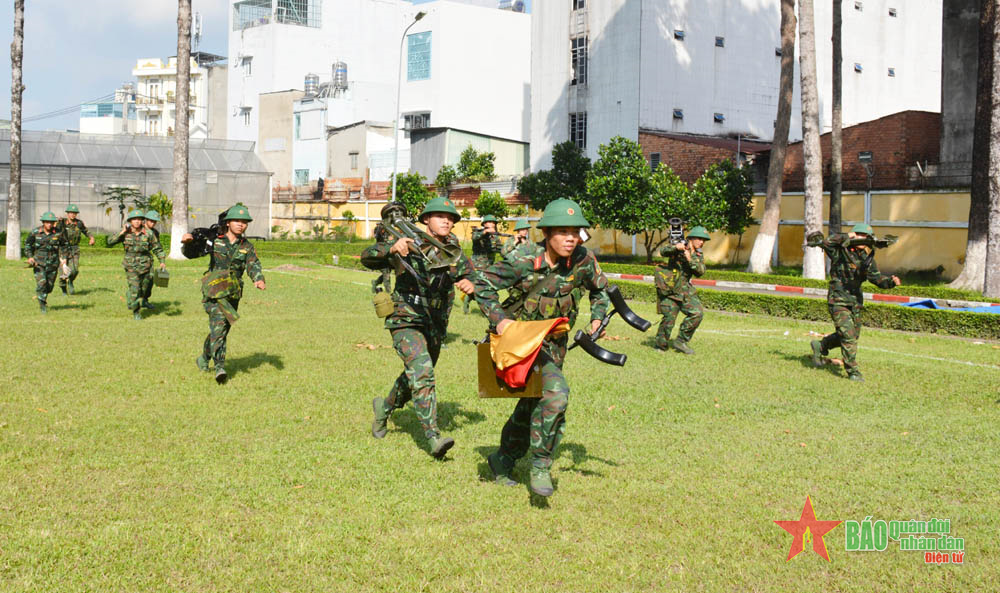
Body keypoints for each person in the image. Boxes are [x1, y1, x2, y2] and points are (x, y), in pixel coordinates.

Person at [473, 198, 610, 497]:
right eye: (562, 232)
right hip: (523, 347)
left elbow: (600, 290)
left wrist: (598, 318)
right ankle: (540, 465)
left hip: (555, 347)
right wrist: (499, 320)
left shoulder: (584, 260)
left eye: (575, 232)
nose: (570, 238)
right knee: (556, 396)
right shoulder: (524, 260)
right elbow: (481, 283)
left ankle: (502, 459)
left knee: (533, 402)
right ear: (546, 233)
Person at [361, 197, 480, 459]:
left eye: (451, 218)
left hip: (434, 322)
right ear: (426, 219)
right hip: (406, 318)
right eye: (440, 216)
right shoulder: (404, 239)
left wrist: (471, 284)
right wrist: (391, 249)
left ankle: (384, 408)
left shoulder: (452, 249)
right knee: (422, 372)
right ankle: (433, 437)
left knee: (414, 375)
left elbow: (470, 274)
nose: (447, 221)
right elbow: (367, 256)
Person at [182, 204, 266, 384]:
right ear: (228, 223)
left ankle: (203, 358)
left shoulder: (247, 246)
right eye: (237, 221)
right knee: (219, 326)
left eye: (244, 222)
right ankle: (220, 367)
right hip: (213, 292)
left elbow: (253, 264)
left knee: (220, 330)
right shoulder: (214, 240)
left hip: (232, 294)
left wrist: (258, 279)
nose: (241, 224)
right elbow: (191, 254)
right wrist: (187, 243)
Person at [807, 224, 901, 382]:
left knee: (851, 335)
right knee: (848, 336)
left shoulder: (867, 258)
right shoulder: (839, 251)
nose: (862, 238)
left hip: (855, 302)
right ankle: (853, 371)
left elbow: (877, 279)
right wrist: (848, 236)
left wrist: (891, 282)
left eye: (866, 236)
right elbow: (828, 241)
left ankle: (821, 346)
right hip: (838, 300)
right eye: (860, 234)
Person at [653, 226, 711, 355]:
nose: (702, 242)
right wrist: (676, 248)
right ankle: (660, 345)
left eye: (704, 240)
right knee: (669, 318)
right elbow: (663, 251)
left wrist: (689, 258)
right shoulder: (678, 246)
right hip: (671, 288)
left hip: (685, 290)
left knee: (697, 313)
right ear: (691, 238)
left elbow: (700, 271)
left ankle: (681, 341)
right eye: (699, 239)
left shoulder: (698, 254)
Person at [107, 210, 166, 320]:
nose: (137, 221)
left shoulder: (149, 233)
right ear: (130, 221)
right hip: (131, 266)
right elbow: (109, 242)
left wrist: (162, 261)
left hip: (146, 265)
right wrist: (122, 232)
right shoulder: (126, 232)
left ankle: (133, 296)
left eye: (139, 219)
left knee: (144, 289)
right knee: (135, 290)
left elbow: (157, 248)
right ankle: (136, 312)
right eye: (134, 219)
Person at [23, 211, 67, 314]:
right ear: (43, 222)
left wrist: (64, 257)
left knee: (49, 287)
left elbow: (64, 245)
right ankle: (42, 304)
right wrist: (30, 257)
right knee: (41, 284)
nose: (49, 224)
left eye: (51, 222)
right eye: (47, 222)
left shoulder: (58, 233)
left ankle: (43, 296)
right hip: (39, 264)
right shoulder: (35, 232)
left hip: (53, 263)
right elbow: (28, 245)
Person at [464, 214, 503, 313]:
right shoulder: (478, 233)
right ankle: (468, 299)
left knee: (488, 287)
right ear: (484, 224)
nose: (491, 224)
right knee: (476, 287)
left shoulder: (495, 237)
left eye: (493, 222)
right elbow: (475, 238)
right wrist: (485, 232)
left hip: (489, 266)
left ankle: (489, 309)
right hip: (477, 266)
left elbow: (500, 249)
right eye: (489, 222)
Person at [57, 204, 95, 295]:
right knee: (63, 273)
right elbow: (54, 230)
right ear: (67, 213)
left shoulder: (79, 223)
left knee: (74, 270)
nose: (73, 215)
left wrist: (91, 238)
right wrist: (58, 222)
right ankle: (64, 290)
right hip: (62, 249)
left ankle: (70, 281)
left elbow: (86, 231)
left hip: (74, 249)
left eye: (75, 213)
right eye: (71, 213)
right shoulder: (62, 222)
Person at [138, 210, 162, 309]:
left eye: (155, 221)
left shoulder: (155, 232)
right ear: (146, 220)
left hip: (148, 260)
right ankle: (135, 301)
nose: (153, 223)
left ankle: (145, 300)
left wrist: (162, 261)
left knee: (150, 280)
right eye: (151, 221)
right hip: (136, 260)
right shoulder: (138, 229)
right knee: (138, 281)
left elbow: (157, 247)